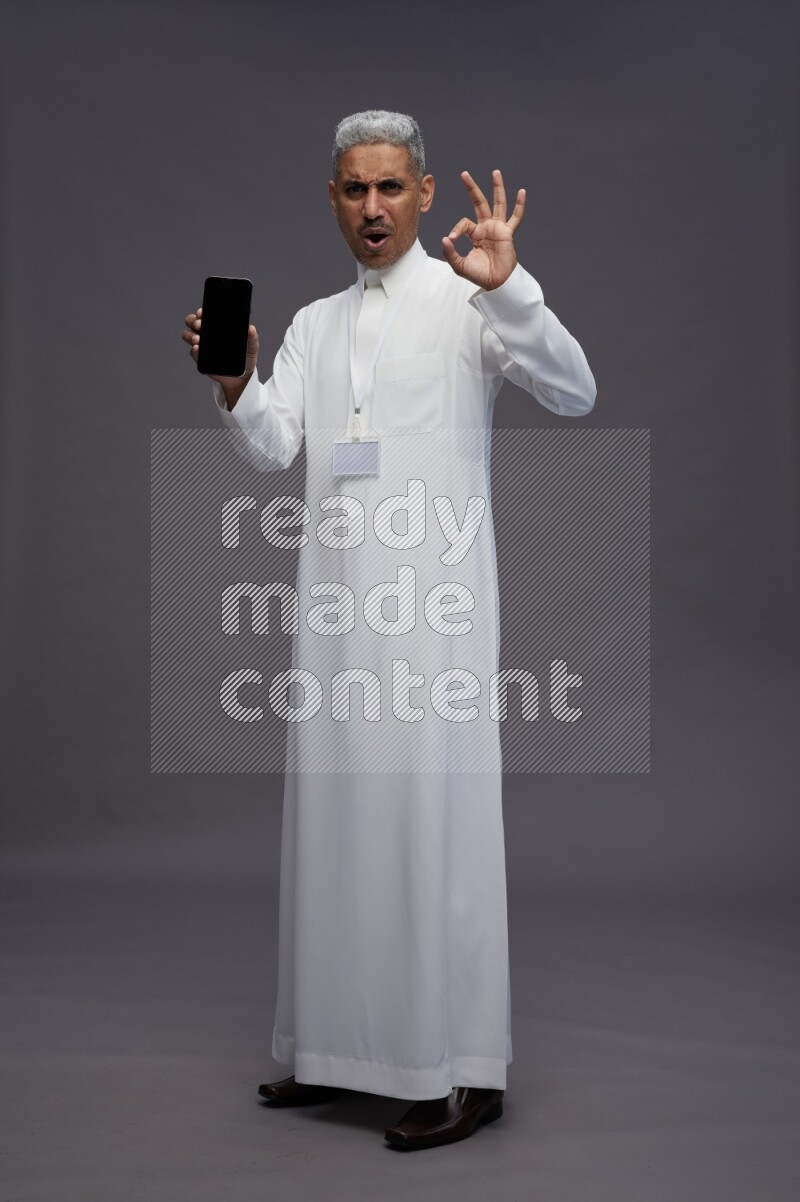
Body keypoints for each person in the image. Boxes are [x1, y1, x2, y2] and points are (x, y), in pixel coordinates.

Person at [182, 110, 596, 1151]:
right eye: (352, 189)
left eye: (389, 188)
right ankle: (333, 1050)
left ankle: (460, 1067)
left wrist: (509, 286)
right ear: (333, 200)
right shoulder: (319, 324)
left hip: (434, 618)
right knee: (333, 829)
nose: (371, 206)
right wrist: (234, 379)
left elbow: (575, 389)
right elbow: (273, 449)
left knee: (431, 831)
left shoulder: (468, 303)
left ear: (420, 196)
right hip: (332, 619)